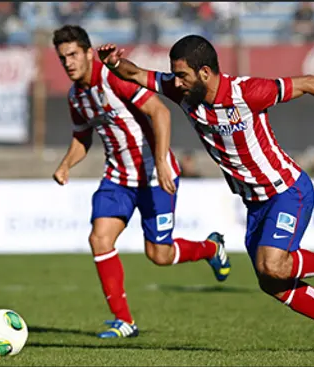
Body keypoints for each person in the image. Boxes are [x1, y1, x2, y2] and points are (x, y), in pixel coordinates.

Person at [97, 34, 314, 355]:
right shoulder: (181, 91)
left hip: (287, 190)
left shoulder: (247, 92)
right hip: (254, 203)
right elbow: (136, 73)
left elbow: (307, 82)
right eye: (174, 75)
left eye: (182, 75)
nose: (176, 82)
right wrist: (114, 63)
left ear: (205, 73)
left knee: (274, 265)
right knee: (272, 283)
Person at [51, 26, 231, 339]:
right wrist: (66, 165)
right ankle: (124, 321)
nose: (68, 62)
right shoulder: (76, 96)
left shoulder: (113, 77)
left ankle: (212, 248)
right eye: (62, 57)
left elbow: (160, 112)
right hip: (117, 178)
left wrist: (161, 161)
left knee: (159, 255)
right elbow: (82, 137)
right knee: (100, 239)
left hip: (152, 174)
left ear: (88, 53)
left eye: (73, 55)